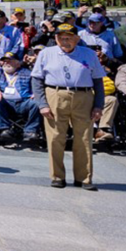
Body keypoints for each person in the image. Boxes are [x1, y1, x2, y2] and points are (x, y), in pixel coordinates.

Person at [32, 23, 106, 190]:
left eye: (69, 38)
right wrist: (42, 104)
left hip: (83, 96)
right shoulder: (46, 53)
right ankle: (57, 176)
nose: (65, 41)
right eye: (61, 38)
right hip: (55, 94)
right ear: (55, 38)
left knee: (84, 138)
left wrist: (98, 105)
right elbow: (36, 80)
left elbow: (98, 81)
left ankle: (84, 178)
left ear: (77, 38)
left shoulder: (89, 54)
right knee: (55, 137)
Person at [0, 51, 40, 145]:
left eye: (10, 61)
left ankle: (30, 131)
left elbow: (36, 85)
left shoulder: (27, 73)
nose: (6, 63)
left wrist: (35, 93)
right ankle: (4, 129)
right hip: (5, 103)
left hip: (23, 102)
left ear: (18, 63)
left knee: (37, 102)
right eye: (4, 61)